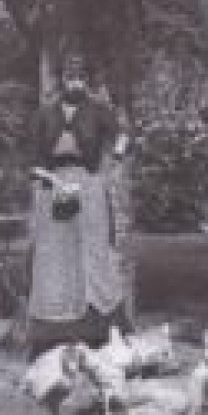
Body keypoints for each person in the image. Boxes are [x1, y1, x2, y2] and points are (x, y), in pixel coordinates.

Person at [26, 52, 132, 352]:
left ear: (87, 81)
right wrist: (51, 179)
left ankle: (99, 332)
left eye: (81, 77)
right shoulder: (45, 113)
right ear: (61, 79)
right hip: (52, 185)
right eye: (70, 77)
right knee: (56, 258)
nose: (76, 82)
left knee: (93, 253)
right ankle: (51, 335)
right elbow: (32, 158)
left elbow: (122, 134)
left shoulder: (99, 110)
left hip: (89, 186)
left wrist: (117, 156)